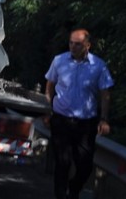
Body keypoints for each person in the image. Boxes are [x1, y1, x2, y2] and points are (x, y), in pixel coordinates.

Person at [45, 28, 114, 199]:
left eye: (78, 44)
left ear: (87, 46)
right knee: (63, 162)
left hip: (85, 123)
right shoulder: (59, 61)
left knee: (85, 166)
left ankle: (74, 189)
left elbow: (105, 94)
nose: (73, 47)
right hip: (61, 119)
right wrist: (48, 109)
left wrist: (104, 119)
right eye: (71, 43)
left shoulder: (98, 66)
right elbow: (49, 86)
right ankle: (61, 195)